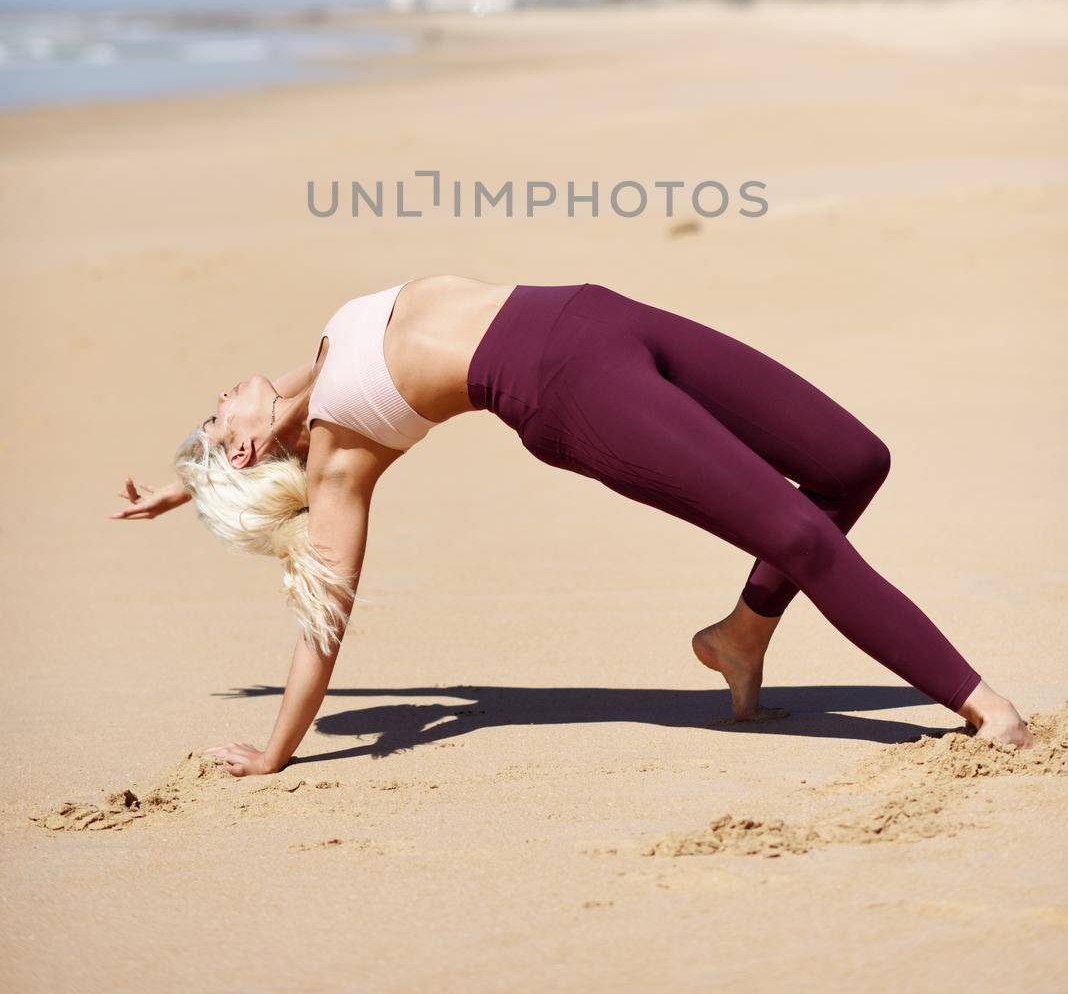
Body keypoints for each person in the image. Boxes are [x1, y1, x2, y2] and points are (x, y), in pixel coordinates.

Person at [111, 275, 1032, 774]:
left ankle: (742, 632)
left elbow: (270, 414)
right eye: (215, 411)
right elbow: (321, 627)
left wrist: (182, 487)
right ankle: (980, 706)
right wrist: (275, 751)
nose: (224, 392)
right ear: (239, 450)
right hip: (573, 394)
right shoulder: (341, 462)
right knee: (796, 529)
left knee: (851, 464)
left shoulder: (310, 373)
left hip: (605, 316)